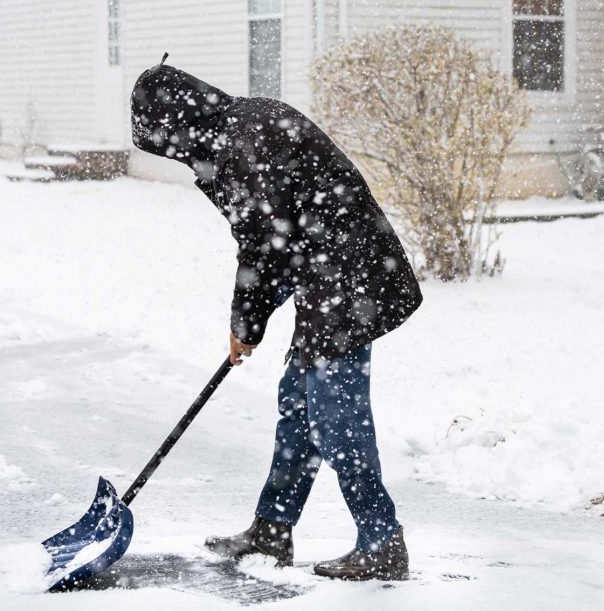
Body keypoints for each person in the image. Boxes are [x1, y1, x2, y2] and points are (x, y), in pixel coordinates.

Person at [130, 58, 422, 581]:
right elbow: (282, 238)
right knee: (298, 404)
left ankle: (382, 540)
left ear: (180, 122)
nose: (175, 156)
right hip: (329, 279)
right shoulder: (240, 129)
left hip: (350, 283)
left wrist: (246, 325)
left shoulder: (246, 142)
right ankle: (272, 528)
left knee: (336, 417)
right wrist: (256, 319)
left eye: (167, 142)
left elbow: (265, 246)